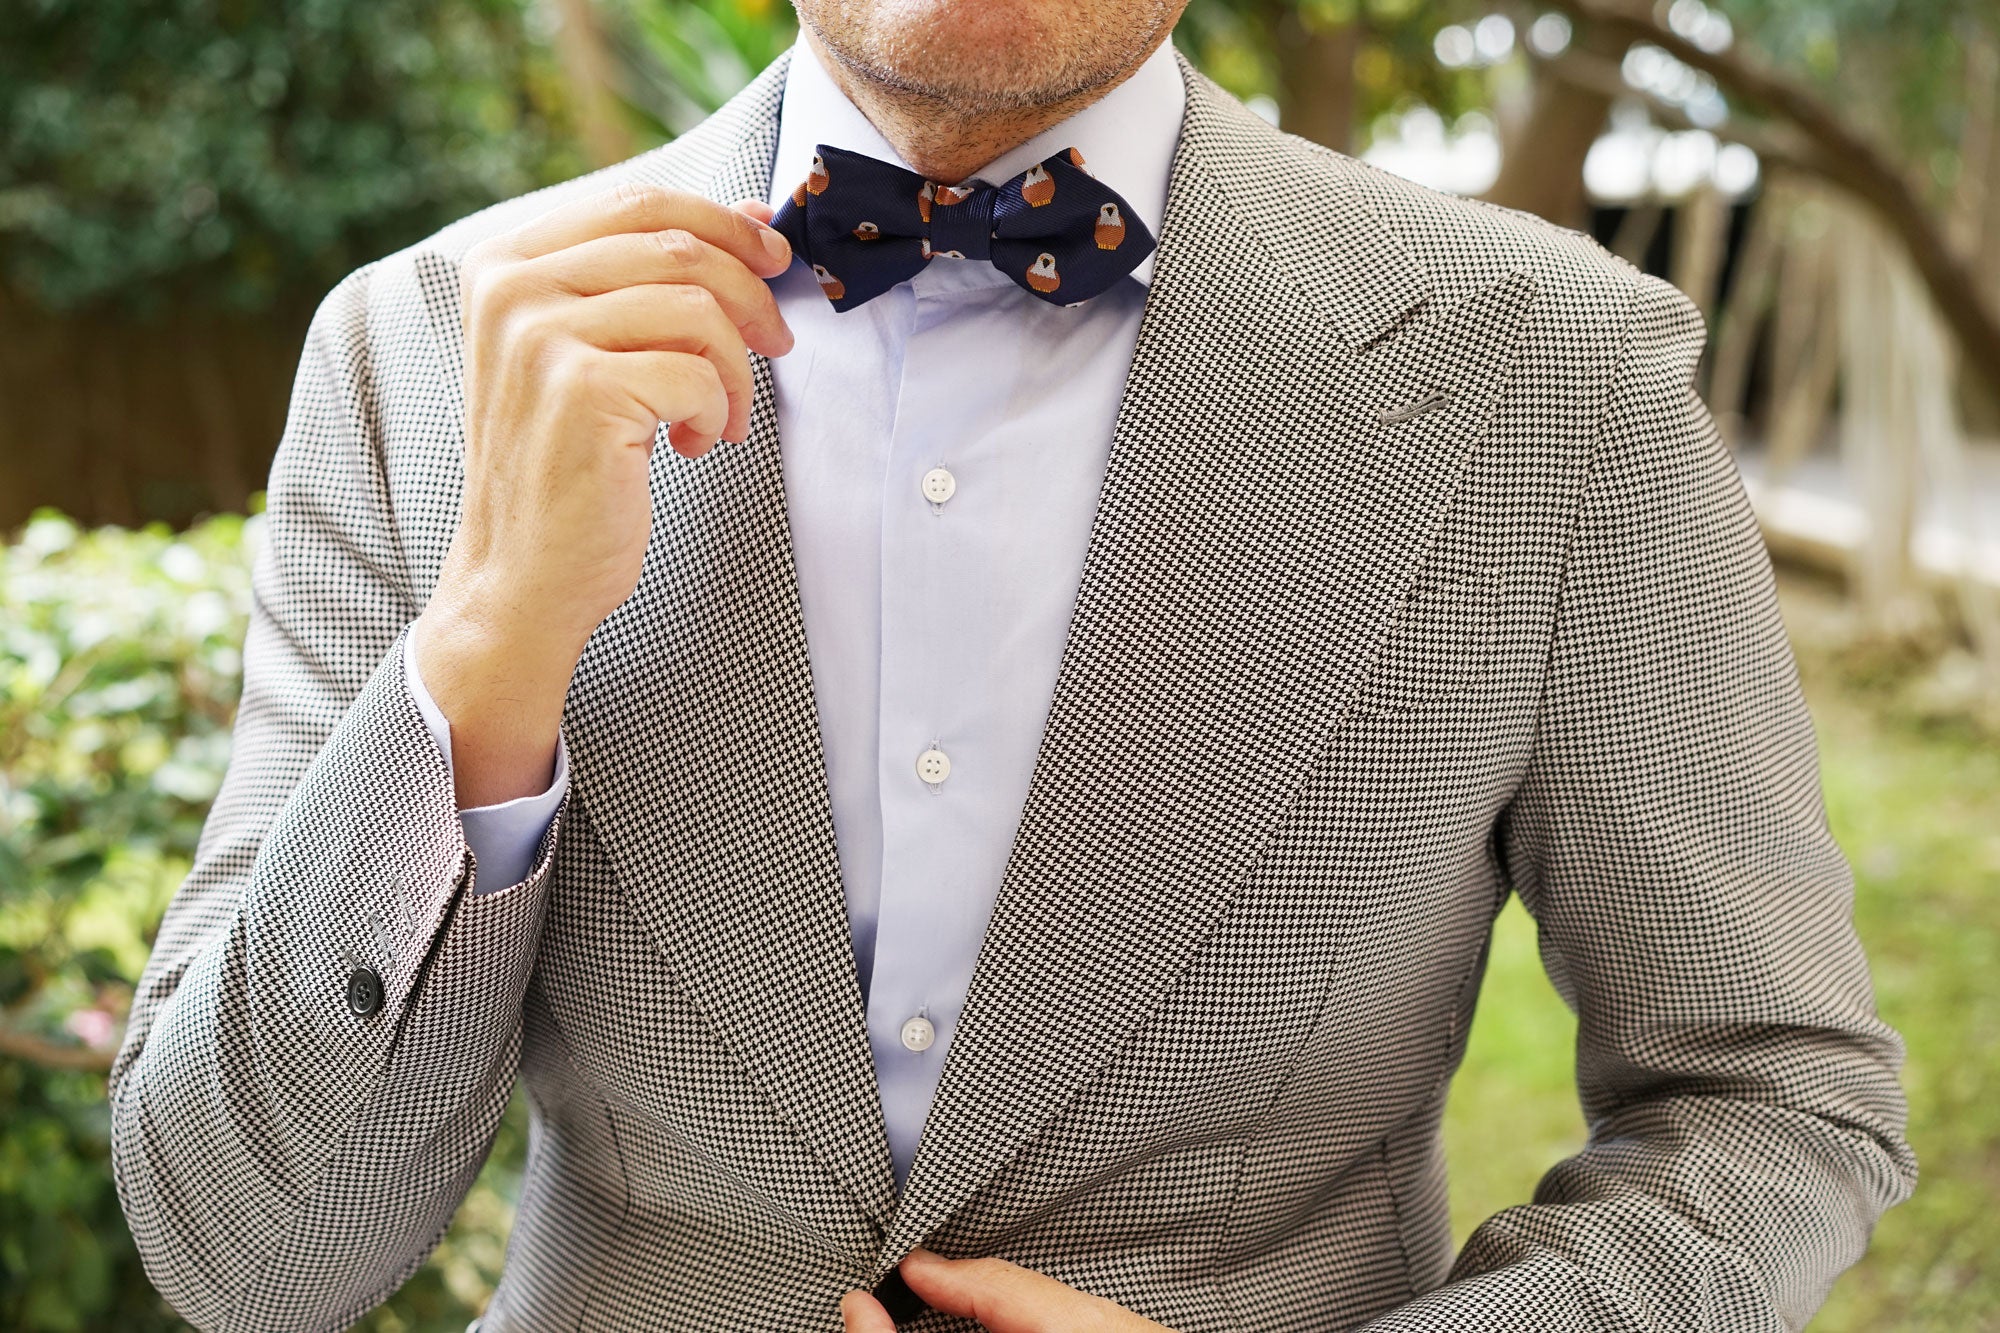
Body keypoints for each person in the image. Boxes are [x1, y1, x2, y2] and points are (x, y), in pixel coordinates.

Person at [109, 0, 1917, 1328]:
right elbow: (246, 1258)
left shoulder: (1560, 378)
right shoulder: (416, 353)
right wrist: (489, 644)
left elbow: (1771, 1102)